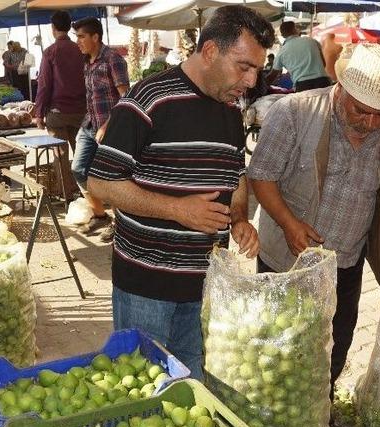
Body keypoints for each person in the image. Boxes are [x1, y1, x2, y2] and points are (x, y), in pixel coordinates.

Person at [87, 5, 272, 379]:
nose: (251, 81)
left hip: (203, 285)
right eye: (244, 66)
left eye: (257, 69)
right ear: (209, 52)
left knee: (189, 389)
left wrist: (238, 218)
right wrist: (177, 209)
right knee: (138, 387)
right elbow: (101, 182)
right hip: (146, 286)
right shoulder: (149, 100)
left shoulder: (230, 112)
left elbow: (235, 176)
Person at [248, 43, 380, 400]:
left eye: (379, 115)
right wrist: (290, 223)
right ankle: (270, 406)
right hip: (288, 261)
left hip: (347, 260)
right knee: (278, 342)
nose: (370, 123)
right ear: (342, 89)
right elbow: (260, 176)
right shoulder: (294, 112)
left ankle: (317, 406)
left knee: (335, 342)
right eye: (361, 111)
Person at [71, 17, 129, 238]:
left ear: (95, 37)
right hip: (89, 126)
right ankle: (100, 215)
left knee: (112, 178)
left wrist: (106, 125)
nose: (78, 42)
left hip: (110, 128)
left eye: (81, 37)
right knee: (79, 169)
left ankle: (119, 226)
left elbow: (126, 99)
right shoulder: (88, 61)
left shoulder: (112, 59)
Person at [32, 10, 86, 186]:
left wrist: (39, 114)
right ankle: (88, 192)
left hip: (57, 113)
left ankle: (67, 193)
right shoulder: (81, 49)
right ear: (70, 26)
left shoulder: (50, 52)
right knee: (82, 154)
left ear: (53, 28)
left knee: (60, 155)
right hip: (81, 111)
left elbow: (44, 85)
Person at [267, 21, 330, 91]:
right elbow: (323, 63)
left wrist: (260, 87)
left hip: (303, 86)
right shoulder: (312, 41)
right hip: (323, 82)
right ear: (295, 30)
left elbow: (273, 75)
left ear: (283, 35)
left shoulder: (281, 52)